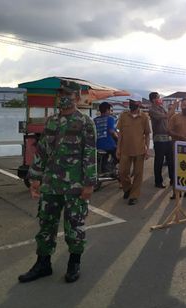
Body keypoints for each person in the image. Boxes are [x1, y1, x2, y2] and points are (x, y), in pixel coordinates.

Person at [19, 83, 97, 283]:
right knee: (46, 224)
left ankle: (74, 262)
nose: (63, 97)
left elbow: (89, 155)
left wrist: (89, 183)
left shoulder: (85, 122)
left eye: (68, 94)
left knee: (75, 225)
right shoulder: (51, 122)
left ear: (77, 96)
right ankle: (43, 263)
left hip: (75, 185)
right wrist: (35, 177)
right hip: (51, 184)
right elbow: (42, 151)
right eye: (61, 93)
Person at [116, 99, 151, 205]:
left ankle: (134, 195)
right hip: (125, 149)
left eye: (134, 103)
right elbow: (120, 134)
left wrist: (147, 149)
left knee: (138, 174)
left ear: (138, 104)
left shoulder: (144, 117)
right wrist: (118, 148)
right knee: (122, 172)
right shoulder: (123, 115)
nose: (131, 105)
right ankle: (127, 188)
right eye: (130, 103)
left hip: (139, 150)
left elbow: (147, 134)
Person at [149, 92, 175, 188]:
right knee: (159, 161)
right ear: (153, 100)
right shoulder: (152, 110)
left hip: (168, 138)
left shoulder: (161, 108)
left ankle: (173, 179)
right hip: (159, 139)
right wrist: (174, 107)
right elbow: (166, 116)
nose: (160, 99)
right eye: (158, 97)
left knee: (170, 160)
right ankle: (158, 182)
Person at [94, 102, 118, 173]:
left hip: (97, 145)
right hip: (108, 146)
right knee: (120, 155)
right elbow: (112, 132)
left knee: (104, 157)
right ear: (107, 110)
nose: (110, 112)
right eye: (110, 110)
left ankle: (105, 167)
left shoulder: (95, 120)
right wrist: (118, 139)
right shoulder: (110, 119)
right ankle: (111, 166)